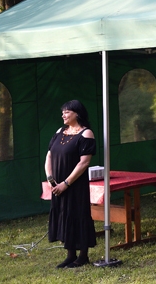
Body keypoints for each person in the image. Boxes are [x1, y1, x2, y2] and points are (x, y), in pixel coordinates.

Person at [45, 99, 97, 268]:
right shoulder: (60, 131)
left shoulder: (86, 134)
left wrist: (65, 184)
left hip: (74, 184)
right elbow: (49, 156)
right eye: (63, 112)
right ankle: (70, 255)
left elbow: (84, 163)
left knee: (78, 215)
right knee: (64, 215)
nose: (63, 115)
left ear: (77, 113)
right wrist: (51, 179)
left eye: (67, 112)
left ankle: (82, 256)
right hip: (57, 183)